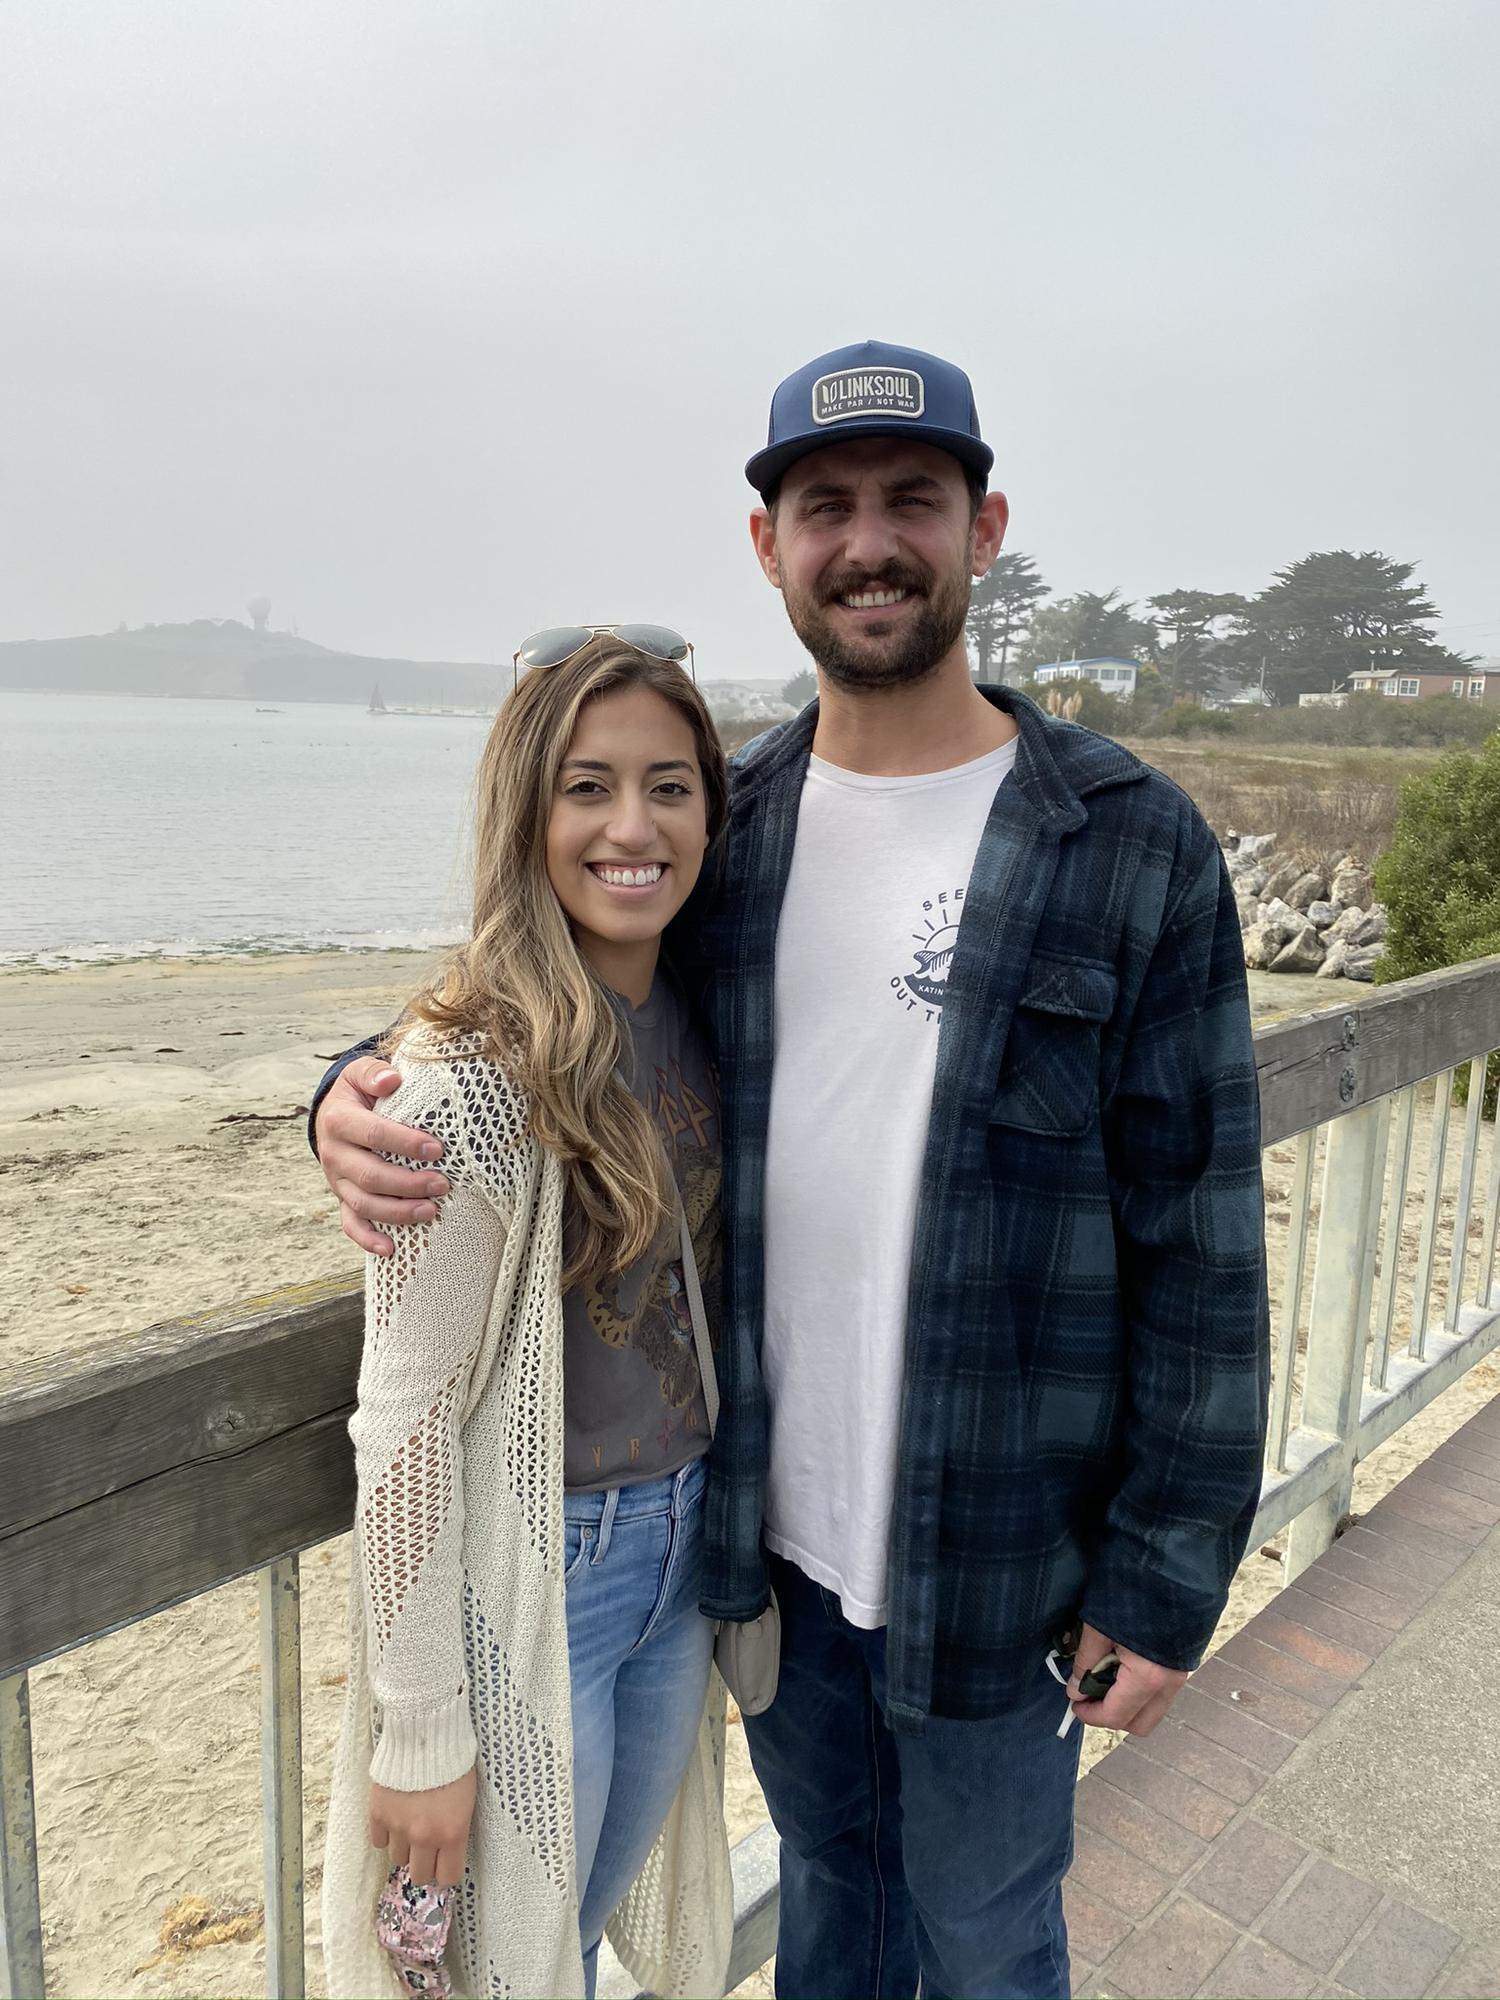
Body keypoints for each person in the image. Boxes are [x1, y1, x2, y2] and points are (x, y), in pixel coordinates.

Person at [313, 342, 1270, 2000]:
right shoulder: (729, 828)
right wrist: (347, 1090)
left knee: (989, 1937)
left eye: (913, 500)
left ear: (984, 531)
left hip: (1011, 1562)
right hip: (771, 1555)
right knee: (834, 1910)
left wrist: (1167, 1575)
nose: (869, 543)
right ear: (769, 548)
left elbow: (1204, 1240)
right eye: (826, 507)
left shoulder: (1130, 842)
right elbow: (547, 995)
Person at [319, 631, 734, 2000]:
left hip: (685, 1555)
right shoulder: (469, 1079)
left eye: (669, 786)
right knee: (506, 1964)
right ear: (525, 814)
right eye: (587, 787)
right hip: (544, 1573)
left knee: (575, 1931)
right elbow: (406, 1417)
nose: (633, 827)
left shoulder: (700, 1005)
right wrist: (419, 1729)